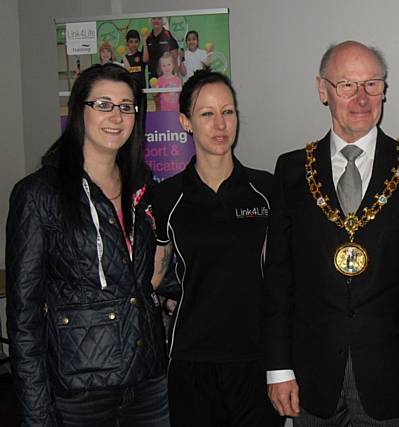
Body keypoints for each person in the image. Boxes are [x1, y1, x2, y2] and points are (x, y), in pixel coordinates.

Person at [263, 40, 399, 426]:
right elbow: (279, 278)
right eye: (347, 85)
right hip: (311, 376)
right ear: (323, 90)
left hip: (394, 376)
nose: (362, 98)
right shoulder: (291, 171)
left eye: (373, 84)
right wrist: (278, 368)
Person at [5, 63, 169, 426]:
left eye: (127, 107)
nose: (117, 116)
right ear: (80, 110)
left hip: (148, 381)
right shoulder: (38, 195)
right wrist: (36, 413)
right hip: (81, 390)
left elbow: (148, 279)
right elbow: (24, 316)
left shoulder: (143, 188)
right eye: (104, 104)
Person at [149, 70, 284, 426]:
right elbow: (151, 277)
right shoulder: (166, 197)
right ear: (186, 122)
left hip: (256, 361)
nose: (220, 124)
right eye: (207, 114)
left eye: (228, 111)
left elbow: (282, 278)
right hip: (191, 361)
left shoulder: (266, 190)